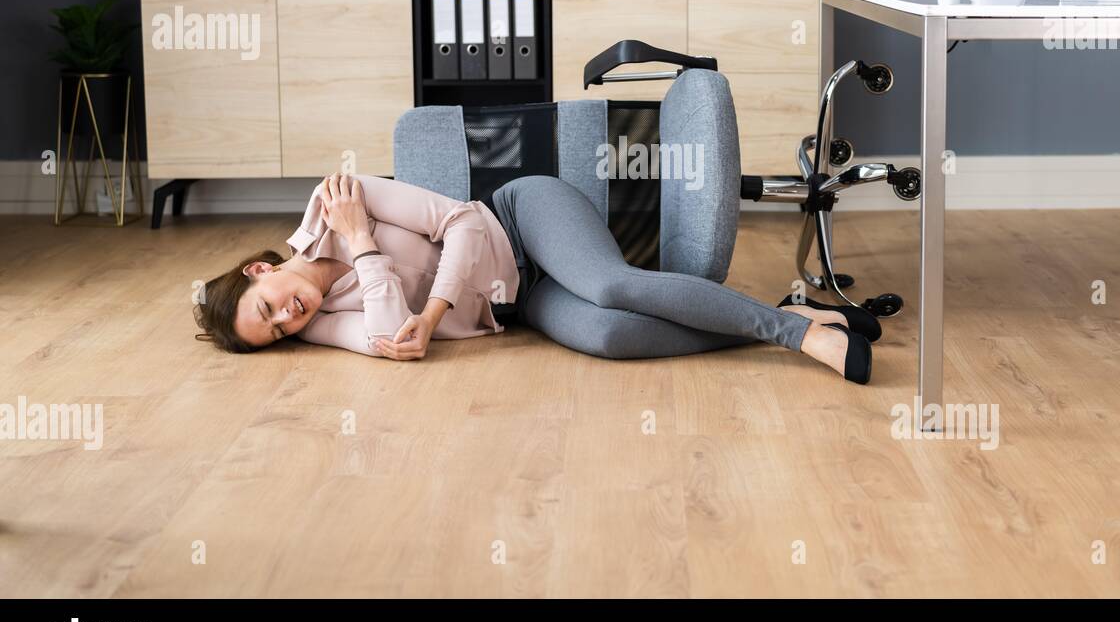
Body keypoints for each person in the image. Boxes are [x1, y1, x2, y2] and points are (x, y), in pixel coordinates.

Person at [194, 173, 879, 383]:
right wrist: (365, 246)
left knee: (610, 287)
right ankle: (802, 317)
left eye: (268, 306)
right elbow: (386, 336)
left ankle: (801, 337)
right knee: (610, 337)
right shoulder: (317, 322)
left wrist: (430, 315)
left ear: (260, 270)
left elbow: (463, 222)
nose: (289, 318)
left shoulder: (339, 197)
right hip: (522, 302)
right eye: (277, 333)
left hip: (520, 219)